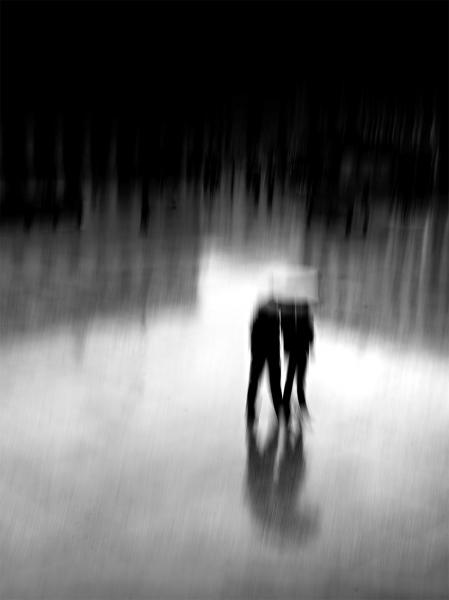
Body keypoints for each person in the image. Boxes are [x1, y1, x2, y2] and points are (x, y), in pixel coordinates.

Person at [246, 298, 283, 426]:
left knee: (254, 383)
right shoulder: (273, 320)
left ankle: (250, 413)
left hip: (259, 356)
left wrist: (255, 353)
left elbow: (253, 339)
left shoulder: (258, 319)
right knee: (275, 386)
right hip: (271, 356)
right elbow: (275, 341)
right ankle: (280, 413)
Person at [280, 302, 314, 423]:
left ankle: (287, 406)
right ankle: (299, 406)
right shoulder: (302, 317)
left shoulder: (294, 316)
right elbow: (310, 336)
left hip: (296, 351)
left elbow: (286, 333)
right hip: (300, 351)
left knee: (292, 380)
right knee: (298, 381)